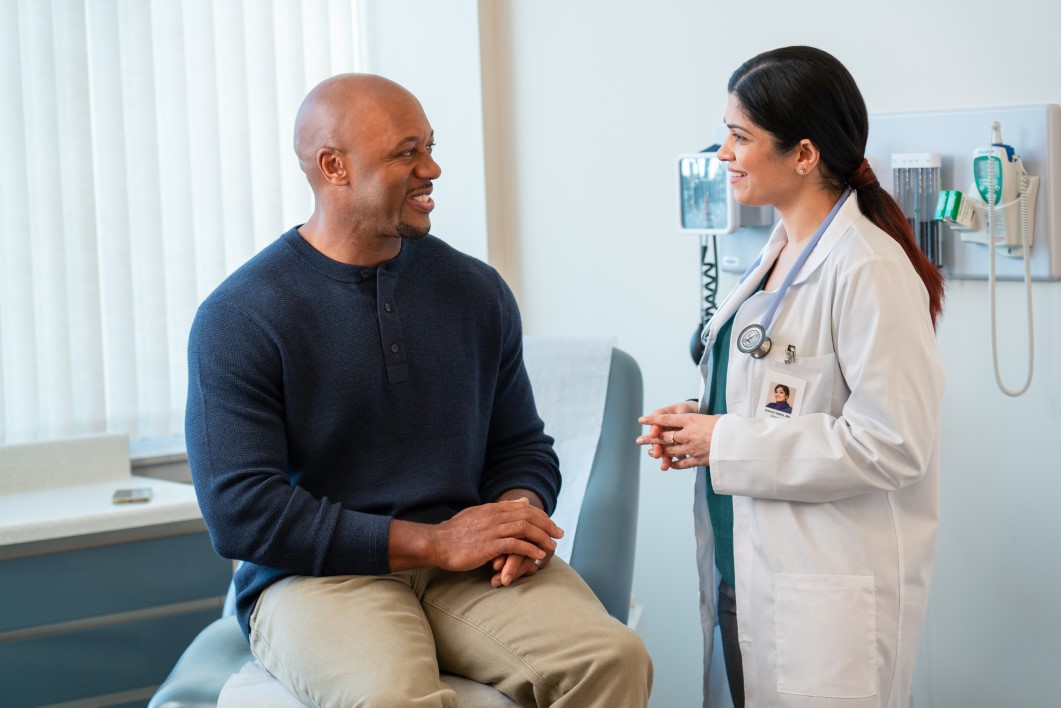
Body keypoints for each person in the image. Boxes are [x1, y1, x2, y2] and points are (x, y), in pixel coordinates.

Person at [186, 73, 651, 708]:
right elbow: (243, 513)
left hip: (467, 569)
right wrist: (436, 541)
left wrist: (516, 517)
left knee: (613, 659)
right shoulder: (242, 316)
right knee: (392, 698)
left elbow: (520, 446)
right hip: (320, 578)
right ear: (334, 167)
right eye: (406, 153)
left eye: (429, 146)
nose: (431, 168)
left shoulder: (475, 291)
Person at [637, 46, 944, 708]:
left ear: (803, 154)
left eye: (739, 136)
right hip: (742, 569)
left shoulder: (866, 267)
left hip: (819, 590)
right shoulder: (776, 254)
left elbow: (892, 442)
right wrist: (699, 422)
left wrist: (724, 440)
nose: (721, 153)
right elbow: (780, 399)